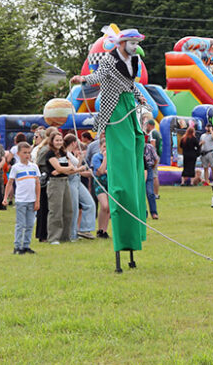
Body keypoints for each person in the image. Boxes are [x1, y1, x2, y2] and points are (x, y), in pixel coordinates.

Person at [71, 27, 149, 272]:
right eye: (132, 42)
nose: (135, 46)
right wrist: (82, 79)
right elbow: (99, 76)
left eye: (137, 42)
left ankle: (136, 216)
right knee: (122, 153)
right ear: (121, 43)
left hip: (128, 106)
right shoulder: (109, 59)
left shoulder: (133, 60)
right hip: (114, 107)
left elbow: (129, 84)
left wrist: (140, 96)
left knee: (137, 142)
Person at [2, 142, 40, 254]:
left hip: (32, 200)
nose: (27, 155)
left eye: (28, 153)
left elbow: (37, 184)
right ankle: (17, 246)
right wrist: (5, 197)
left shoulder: (34, 167)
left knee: (30, 224)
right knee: (20, 224)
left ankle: (26, 245)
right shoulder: (16, 168)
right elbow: (10, 183)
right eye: (24, 153)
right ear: (18, 154)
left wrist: (37, 200)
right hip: (21, 200)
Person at [45, 132, 77, 244]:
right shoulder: (50, 154)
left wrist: (61, 170)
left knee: (68, 210)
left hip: (65, 181)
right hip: (55, 183)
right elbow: (60, 168)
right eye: (57, 140)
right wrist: (62, 169)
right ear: (52, 141)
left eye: (60, 140)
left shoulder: (63, 153)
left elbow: (71, 167)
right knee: (56, 211)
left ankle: (65, 237)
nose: (59, 142)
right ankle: (53, 237)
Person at [64, 134, 97, 240]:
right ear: (73, 143)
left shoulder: (71, 153)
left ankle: (85, 229)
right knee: (74, 209)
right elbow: (71, 169)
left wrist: (80, 158)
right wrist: (81, 168)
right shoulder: (65, 154)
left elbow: (75, 166)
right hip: (71, 180)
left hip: (77, 179)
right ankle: (72, 235)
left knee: (90, 203)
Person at [91, 138, 111, 239]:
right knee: (104, 205)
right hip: (99, 183)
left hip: (110, 184)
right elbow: (100, 171)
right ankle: (100, 229)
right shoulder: (96, 157)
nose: (106, 149)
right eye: (104, 147)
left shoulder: (113, 156)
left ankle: (104, 230)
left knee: (109, 208)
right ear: (100, 147)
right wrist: (105, 158)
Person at [144, 120, 162, 198]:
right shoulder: (157, 132)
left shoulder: (152, 133)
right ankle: (155, 193)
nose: (146, 127)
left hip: (154, 157)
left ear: (150, 125)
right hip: (156, 156)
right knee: (154, 176)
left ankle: (155, 194)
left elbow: (152, 146)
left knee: (154, 176)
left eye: (147, 125)